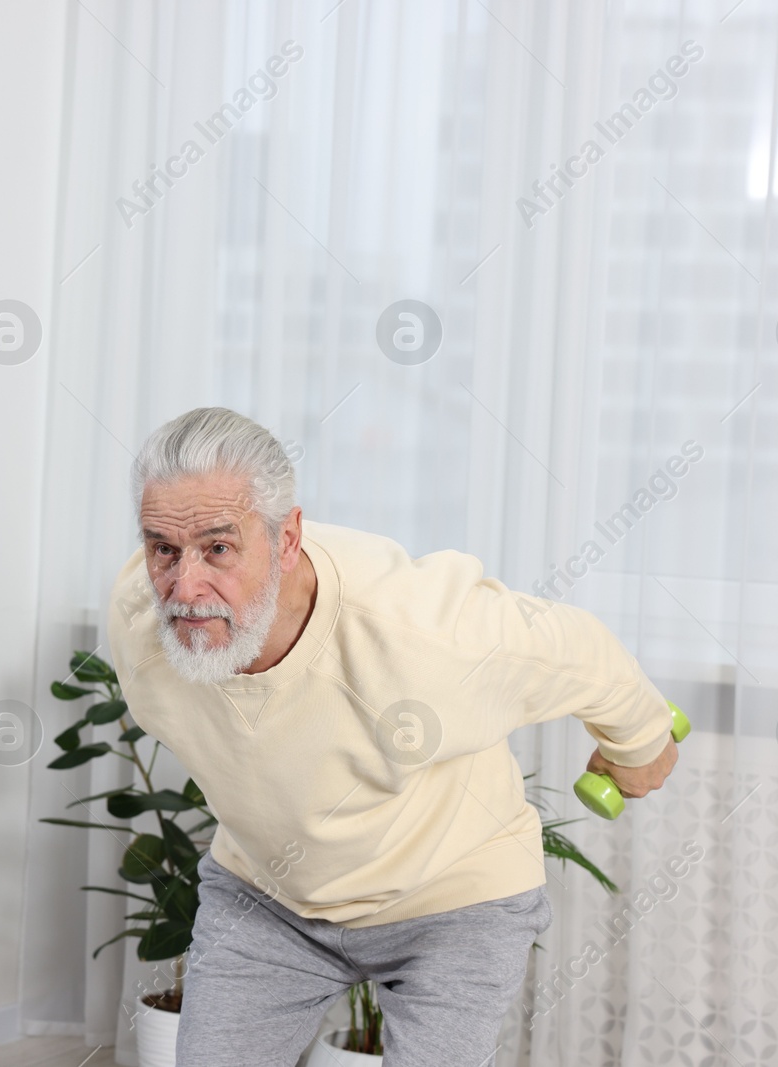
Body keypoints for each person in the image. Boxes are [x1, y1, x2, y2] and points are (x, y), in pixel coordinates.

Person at [106, 407, 678, 1065]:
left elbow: (578, 649)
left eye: (218, 548)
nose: (185, 586)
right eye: (163, 549)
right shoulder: (140, 623)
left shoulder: (421, 634)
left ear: (287, 539)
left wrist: (639, 743)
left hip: (452, 899)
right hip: (269, 897)